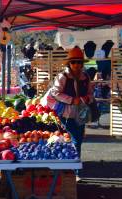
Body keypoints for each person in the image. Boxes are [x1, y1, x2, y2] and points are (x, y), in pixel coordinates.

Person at [49, 47, 93, 181]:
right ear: (69, 63)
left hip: (81, 114)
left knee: (78, 140)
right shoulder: (63, 76)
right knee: (75, 140)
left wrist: (87, 98)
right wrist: (70, 100)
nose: (77, 65)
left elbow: (91, 93)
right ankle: (75, 170)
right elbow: (54, 93)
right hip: (66, 114)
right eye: (74, 62)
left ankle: (72, 169)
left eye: (79, 62)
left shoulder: (86, 77)